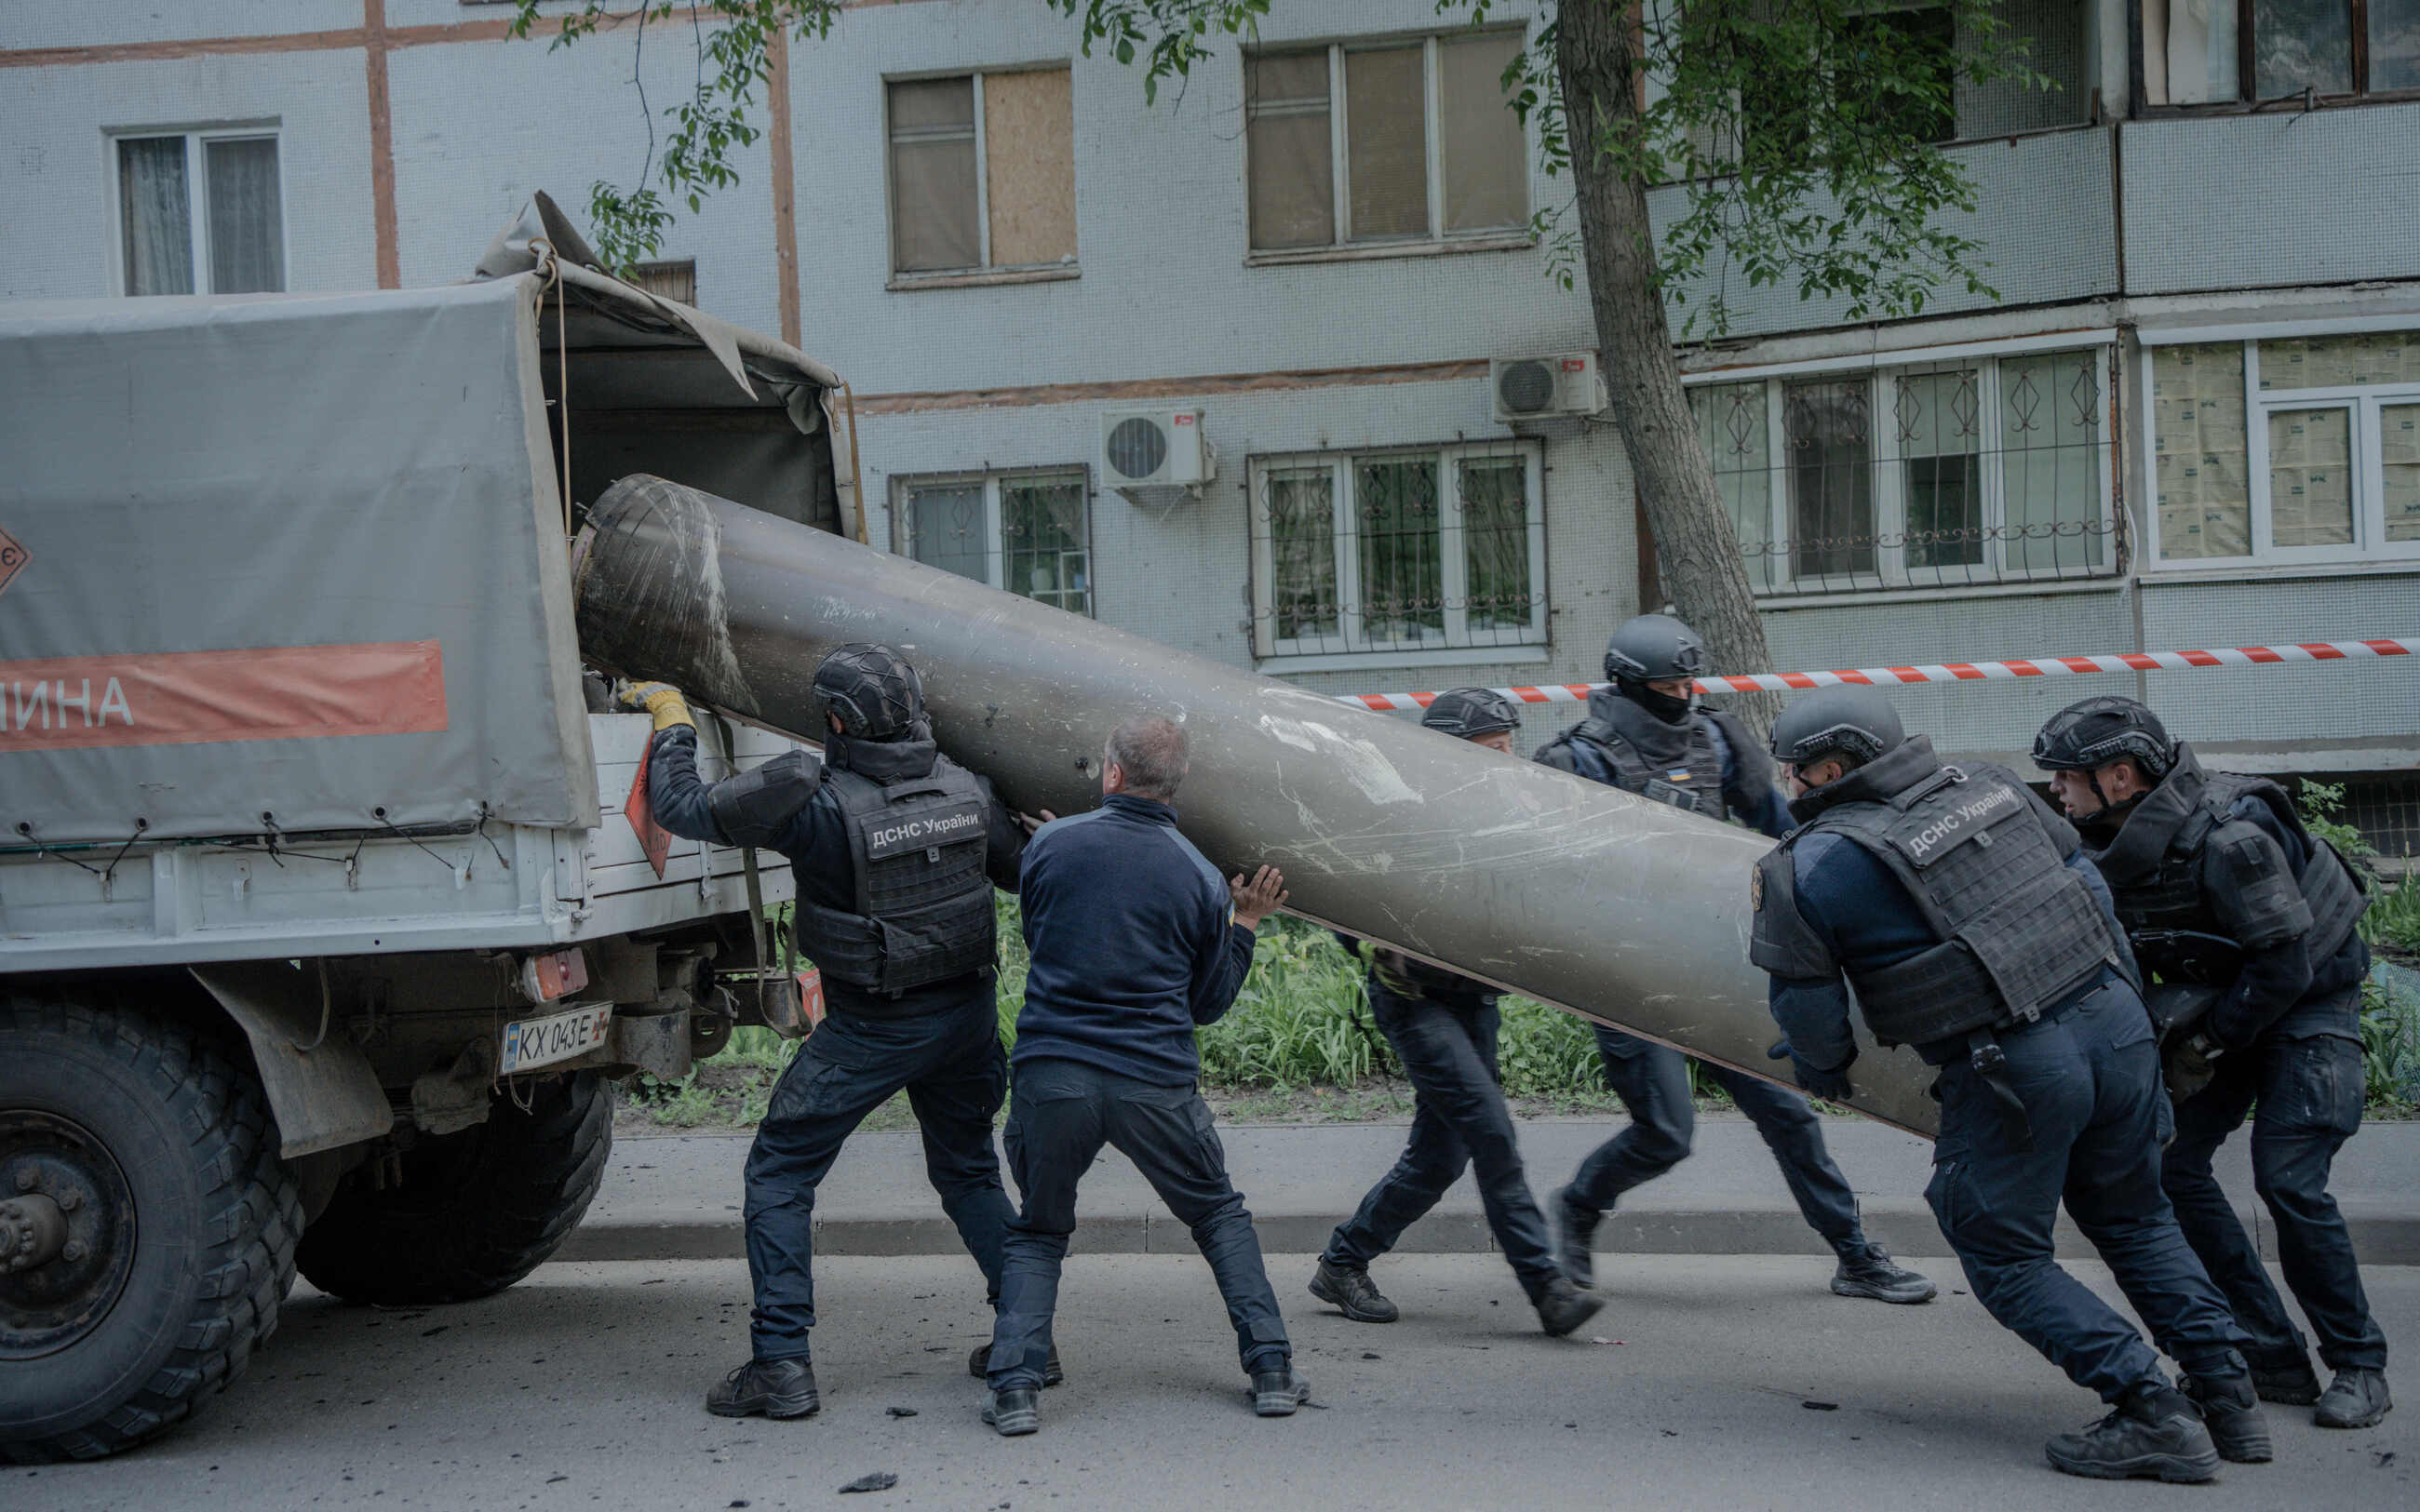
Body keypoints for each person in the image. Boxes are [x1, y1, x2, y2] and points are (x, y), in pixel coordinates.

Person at [1756, 685, 2270, 1482]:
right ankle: (2228, 1396)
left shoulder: (1810, 865)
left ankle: (2150, 1408)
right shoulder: (1989, 786)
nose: (1789, 788)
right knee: (2136, 1213)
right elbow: (2092, 893)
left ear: (1829, 767)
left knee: (2001, 1249)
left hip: (2018, 1065)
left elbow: (1809, 1010)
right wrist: (2123, 1003)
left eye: (1795, 772)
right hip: (2117, 1020)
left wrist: (1825, 1073)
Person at [621, 645, 1041, 1422]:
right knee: (969, 1170)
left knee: (779, 1173)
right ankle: (1029, 1339)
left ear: (839, 721)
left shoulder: (815, 803)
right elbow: (1021, 871)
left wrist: (671, 716)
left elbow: (686, 807)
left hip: (875, 1025)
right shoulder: (968, 788)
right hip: (968, 1018)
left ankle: (781, 1363)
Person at [1533, 615, 1933, 1307]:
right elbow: (1544, 873)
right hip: (1629, 973)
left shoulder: (1717, 737)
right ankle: (1577, 1206)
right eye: (1669, 683)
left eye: (1691, 680)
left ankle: (1855, 1255)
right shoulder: (1579, 757)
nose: (1685, 694)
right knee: (1665, 1133)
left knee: (1789, 1115)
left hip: (1715, 959)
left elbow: (1779, 822)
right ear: (1631, 684)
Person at [2035, 695, 2389, 1431]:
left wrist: (2205, 1046)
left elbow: (2285, 967)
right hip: (2229, 1000)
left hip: (2306, 997)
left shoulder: (2233, 839)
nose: (2055, 792)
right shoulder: (2111, 836)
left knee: (2288, 1178)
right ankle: (2272, 1355)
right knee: (2171, 1166)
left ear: (2122, 776)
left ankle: (2360, 1363)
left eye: (2066, 777)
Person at [978, 715, 1309, 1437]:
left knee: (1038, 1230)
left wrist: (1065, 843)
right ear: (1175, 784)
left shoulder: (1051, 847)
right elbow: (1206, 1003)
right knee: (1219, 1215)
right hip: (1154, 1083)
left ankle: (1014, 1389)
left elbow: (1043, 933)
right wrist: (1245, 924)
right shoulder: (1197, 875)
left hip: (1054, 1074)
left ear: (1113, 773)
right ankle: (1274, 1370)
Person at [1308, 689, 1604, 1337]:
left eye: (1509, 746)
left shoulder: (1501, 810)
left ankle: (1342, 1262)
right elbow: (1337, 891)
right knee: (1492, 1132)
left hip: (1473, 1000)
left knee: (1440, 1156)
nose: (1508, 759)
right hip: (1416, 1004)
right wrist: (1370, 941)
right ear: (1449, 751)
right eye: (1493, 748)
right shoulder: (1397, 811)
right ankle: (1547, 1286)